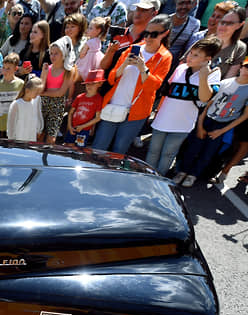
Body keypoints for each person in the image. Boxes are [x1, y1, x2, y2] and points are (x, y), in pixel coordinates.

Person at [92, 14, 174, 153]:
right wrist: (124, 65)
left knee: (119, 151)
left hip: (136, 111)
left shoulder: (165, 57)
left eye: (153, 34)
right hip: (114, 104)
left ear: (165, 34)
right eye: (146, 33)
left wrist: (143, 69)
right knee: (98, 147)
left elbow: (154, 87)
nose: (148, 38)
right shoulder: (133, 48)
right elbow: (112, 78)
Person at [146, 37, 221, 175]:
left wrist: (204, 78)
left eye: (196, 55)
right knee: (153, 151)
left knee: (168, 153)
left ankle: (159, 179)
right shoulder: (181, 67)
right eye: (191, 52)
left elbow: (205, 98)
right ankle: (146, 176)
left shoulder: (213, 74)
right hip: (163, 118)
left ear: (207, 58)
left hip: (183, 123)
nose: (190, 57)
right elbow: (167, 91)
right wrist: (157, 111)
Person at [174, 58, 248, 186]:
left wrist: (221, 131)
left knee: (208, 152)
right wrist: (200, 125)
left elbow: (244, 116)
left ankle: (193, 175)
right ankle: (182, 171)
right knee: (193, 147)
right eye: (246, 67)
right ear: (240, 67)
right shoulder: (225, 83)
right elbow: (207, 104)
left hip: (222, 124)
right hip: (207, 119)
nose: (247, 71)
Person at [39, 40, 73, 143]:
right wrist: (44, 74)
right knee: (40, 132)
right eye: (51, 53)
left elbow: (60, 93)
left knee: (51, 135)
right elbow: (41, 87)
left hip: (57, 105)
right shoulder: (47, 69)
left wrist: (44, 93)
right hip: (43, 103)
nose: (53, 56)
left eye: (56, 53)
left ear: (63, 54)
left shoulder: (67, 71)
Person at [0, 52, 25, 137]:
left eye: (8, 68)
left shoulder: (21, 84)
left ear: (15, 68)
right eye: (4, 68)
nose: (5, 71)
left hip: (14, 125)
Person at [65, 68, 105, 146]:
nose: (89, 86)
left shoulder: (98, 99)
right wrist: (69, 126)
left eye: (93, 83)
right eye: (87, 84)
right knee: (68, 146)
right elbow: (71, 112)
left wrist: (82, 127)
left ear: (100, 84)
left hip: (84, 130)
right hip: (72, 127)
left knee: (79, 150)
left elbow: (98, 118)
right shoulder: (80, 97)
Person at [7, 76, 44, 140]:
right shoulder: (16, 104)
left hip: (31, 137)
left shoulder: (37, 100)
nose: (38, 94)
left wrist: (39, 129)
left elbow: (38, 114)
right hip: (19, 138)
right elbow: (11, 125)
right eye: (36, 92)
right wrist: (11, 139)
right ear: (27, 91)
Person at [76, 16, 109, 81]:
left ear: (98, 31)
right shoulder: (98, 41)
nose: (88, 30)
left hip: (88, 62)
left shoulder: (89, 42)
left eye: (90, 28)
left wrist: (80, 55)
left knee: (81, 71)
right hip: (95, 61)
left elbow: (82, 54)